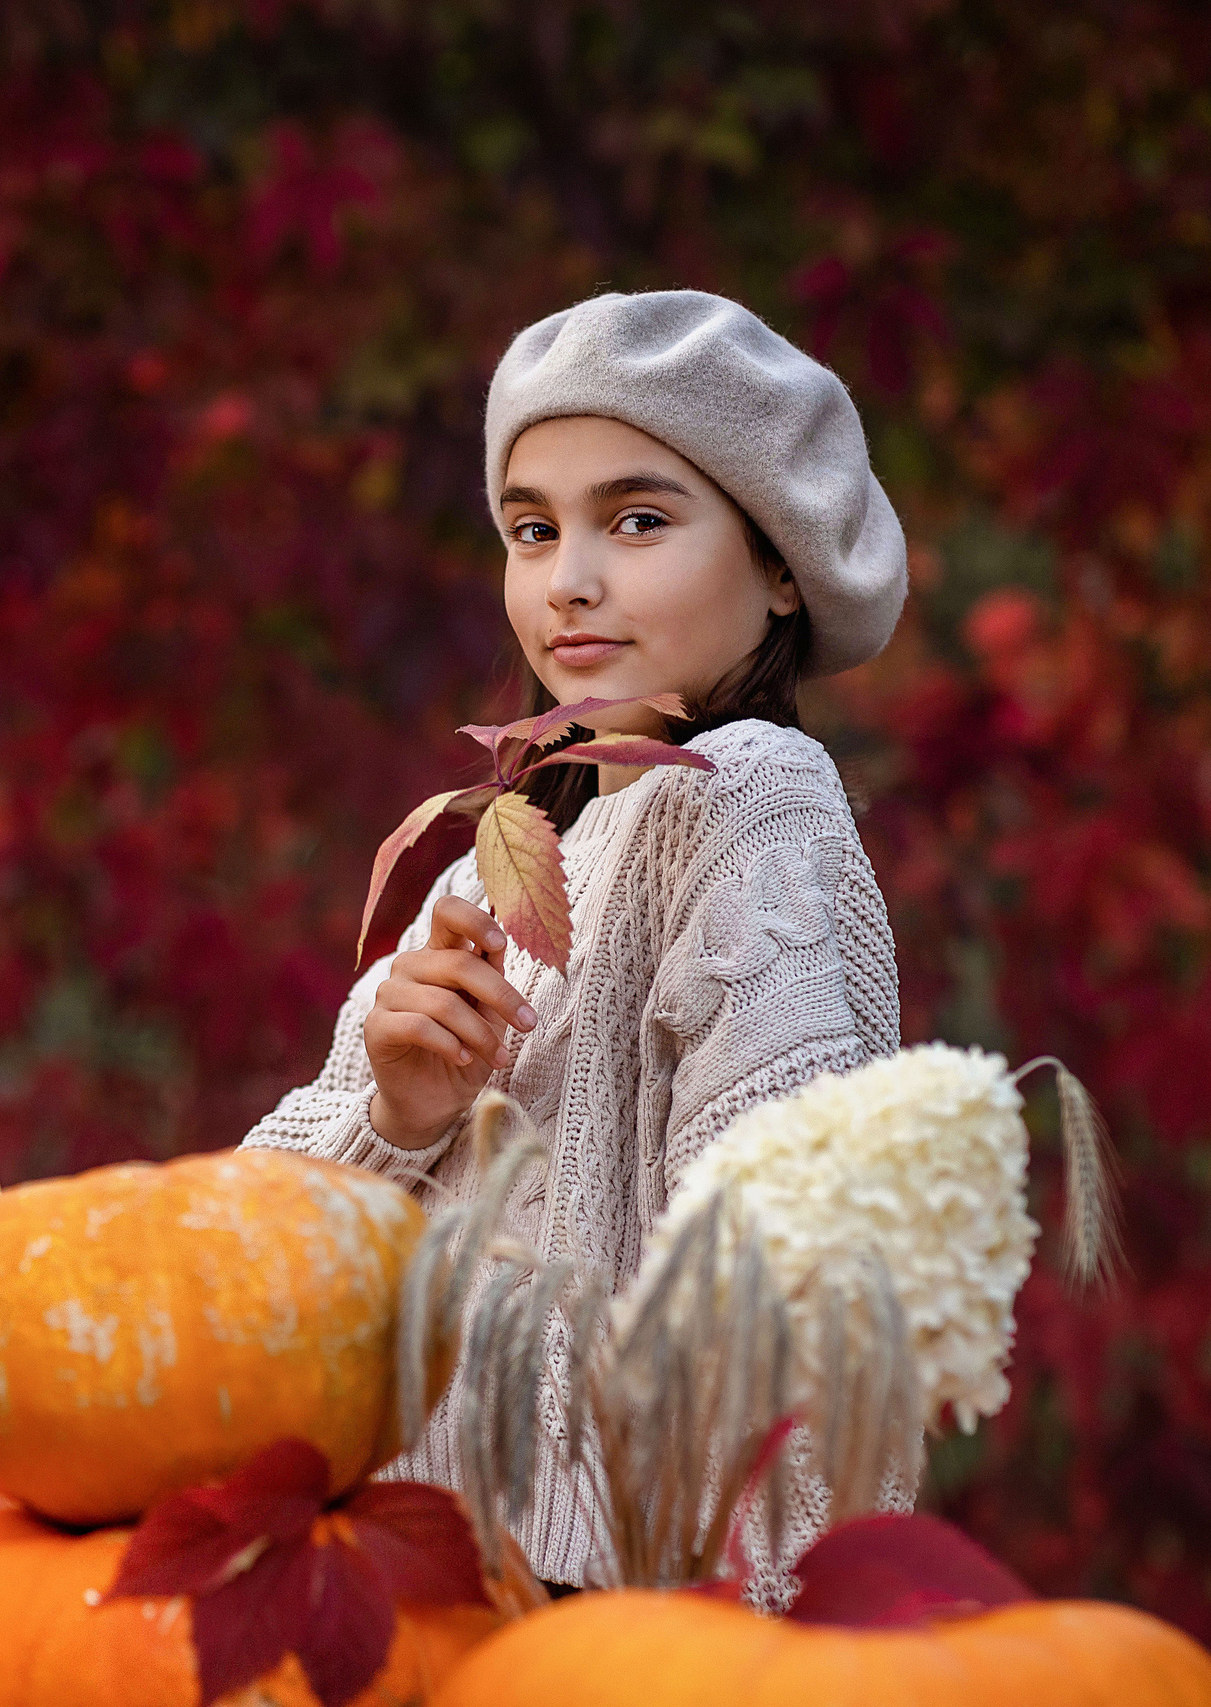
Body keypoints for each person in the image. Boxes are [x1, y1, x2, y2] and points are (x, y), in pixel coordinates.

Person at [240, 289, 910, 1594]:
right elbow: (227, 1270)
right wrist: (397, 1114)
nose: (569, 582)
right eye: (533, 529)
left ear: (781, 564)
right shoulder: (504, 876)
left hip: (601, 1615)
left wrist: (749, 1638)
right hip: (421, 1586)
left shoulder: (745, 795)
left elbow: (786, 1294)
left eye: (638, 520)